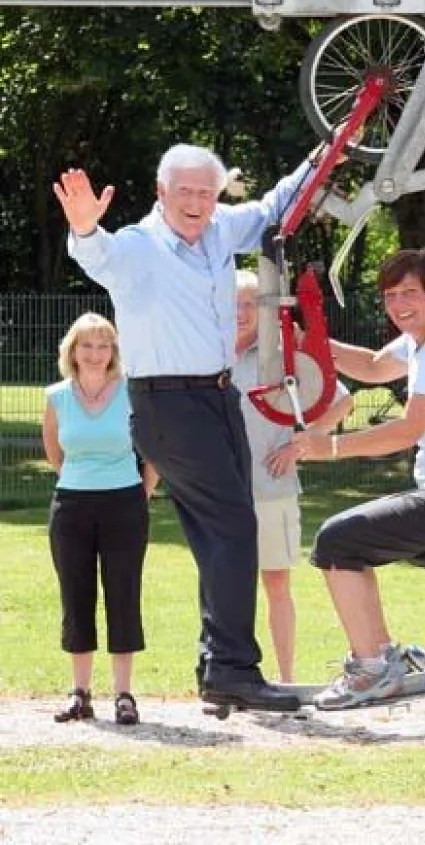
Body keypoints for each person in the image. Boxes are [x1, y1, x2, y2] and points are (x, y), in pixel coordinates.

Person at [53, 144, 315, 713]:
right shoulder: (137, 247)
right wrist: (83, 227)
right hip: (167, 405)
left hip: (218, 397)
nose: (197, 203)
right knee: (235, 529)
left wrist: (327, 154)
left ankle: (216, 664)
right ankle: (232, 669)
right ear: (160, 192)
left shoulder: (222, 229)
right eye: (186, 192)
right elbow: (96, 254)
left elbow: (276, 206)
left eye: (206, 192)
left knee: (218, 533)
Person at [293, 247, 425, 708]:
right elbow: (369, 367)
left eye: (411, 293)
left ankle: (371, 667)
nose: (400, 304)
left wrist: (326, 447)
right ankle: (379, 659)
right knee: (344, 543)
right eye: (390, 295)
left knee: (334, 541)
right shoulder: (422, 339)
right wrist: (308, 342)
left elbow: (408, 429)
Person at [234, 269, 353, 683]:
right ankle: (233, 676)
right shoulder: (207, 354)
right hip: (222, 494)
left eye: (251, 303)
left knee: (276, 585)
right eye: (235, 303)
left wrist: (301, 443)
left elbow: (341, 402)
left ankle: (285, 680)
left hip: (272, 487)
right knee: (225, 590)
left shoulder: (285, 355)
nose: (241, 312)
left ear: (265, 311)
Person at [42, 313, 158, 725]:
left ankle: (124, 695)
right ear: (72, 350)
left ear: (114, 352)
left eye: (103, 345)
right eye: (86, 346)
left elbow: (153, 448)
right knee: (76, 596)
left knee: (123, 594)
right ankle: (80, 693)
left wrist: (139, 493)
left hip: (124, 503)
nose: (94, 354)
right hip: (71, 506)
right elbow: (55, 453)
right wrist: (80, 480)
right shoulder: (56, 396)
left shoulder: (132, 392)